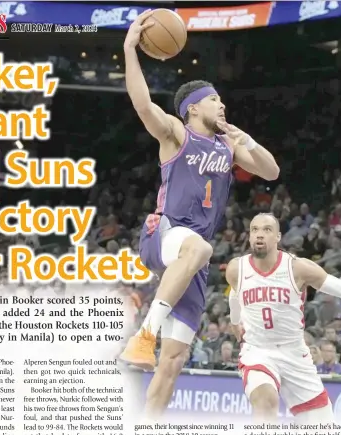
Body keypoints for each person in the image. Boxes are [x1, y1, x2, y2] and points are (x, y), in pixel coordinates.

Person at [119, 11, 280, 418]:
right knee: (201, 247)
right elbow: (142, 104)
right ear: (193, 109)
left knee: (173, 360)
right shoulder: (177, 133)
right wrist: (129, 51)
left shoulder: (228, 146)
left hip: (192, 260)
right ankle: (144, 333)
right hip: (164, 232)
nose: (222, 104)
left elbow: (271, 171)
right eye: (214, 99)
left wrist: (247, 139)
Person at [225, 213, 341, 422]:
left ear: (278, 237)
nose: (259, 235)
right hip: (258, 350)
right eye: (254, 230)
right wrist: (235, 321)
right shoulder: (237, 268)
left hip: (294, 353)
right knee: (265, 402)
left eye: (266, 230)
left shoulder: (297, 268)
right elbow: (235, 295)